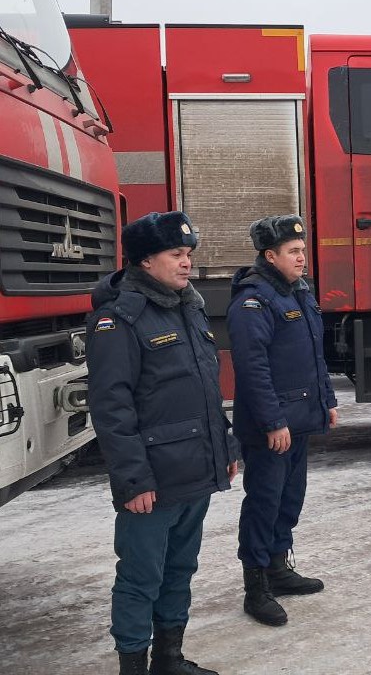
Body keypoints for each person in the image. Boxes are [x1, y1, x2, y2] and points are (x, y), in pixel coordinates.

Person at [87, 211, 239, 675]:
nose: (186, 263)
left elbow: (206, 388)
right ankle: (132, 665)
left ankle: (168, 659)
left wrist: (226, 449)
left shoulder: (188, 307)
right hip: (152, 481)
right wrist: (133, 481)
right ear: (145, 261)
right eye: (176, 254)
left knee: (179, 570)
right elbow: (112, 409)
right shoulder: (119, 320)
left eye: (188, 254)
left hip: (194, 469)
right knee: (140, 579)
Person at [227, 215, 338, 626]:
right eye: (293, 252)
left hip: (300, 420)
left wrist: (326, 401)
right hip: (272, 428)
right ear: (269, 256)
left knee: (290, 500)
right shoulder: (253, 300)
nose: (302, 258)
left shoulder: (298, 295)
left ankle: (278, 568)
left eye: (303, 251)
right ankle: (255, 587)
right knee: (264, 502)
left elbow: (314, 356)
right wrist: (273, 422)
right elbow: (252, 368)